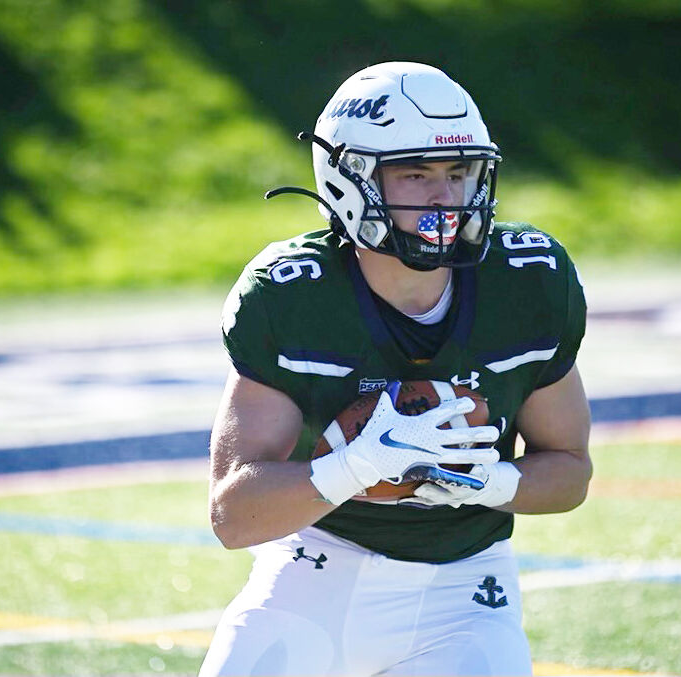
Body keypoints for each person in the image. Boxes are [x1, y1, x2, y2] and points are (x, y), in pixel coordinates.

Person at [199, 61, 592, 677]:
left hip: (464, 600)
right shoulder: (292, 295)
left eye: (458, 173)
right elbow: (233, 513)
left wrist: (487, 482)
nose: (444, 199)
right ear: (348, 179)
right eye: (416, 174)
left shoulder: (529, 282)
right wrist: (358, 466)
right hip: (313, 579)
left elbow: (570, 472)